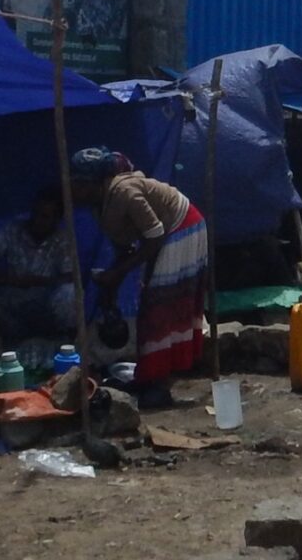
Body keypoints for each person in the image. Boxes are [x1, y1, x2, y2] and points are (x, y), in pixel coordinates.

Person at [73, 147, 208, 408]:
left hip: (182, 225)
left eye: (78, 183)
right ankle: (149, 376)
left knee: (160, 306)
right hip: (163, 234)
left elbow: (154, 235)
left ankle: (159, 383)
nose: (73, 189)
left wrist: (117, 273)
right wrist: (111, 288)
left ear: (94, 182)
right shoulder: (99, 206)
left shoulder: (125, 192)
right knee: (153, 304)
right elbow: (124, 250)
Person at [0, 188, 80, 344]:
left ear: (57, 219)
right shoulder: (15, 229)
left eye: (45, 217)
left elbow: (71, 277)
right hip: (12, 307)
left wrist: (36, 281)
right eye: (35, 213)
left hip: (45, 310)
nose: (37, 220)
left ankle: (67, 341)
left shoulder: (63, 239)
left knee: (69, 292)